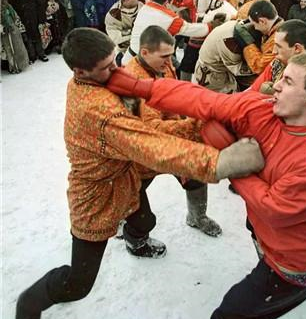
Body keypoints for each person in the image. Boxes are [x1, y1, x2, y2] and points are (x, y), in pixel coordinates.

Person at [16, 28, 263, 319]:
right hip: (95, 196)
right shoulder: (99, 111)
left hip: (124, 176)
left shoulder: (100, 81)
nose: (117, 70)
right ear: (81, 72)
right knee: (79, 284)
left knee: (145, 219)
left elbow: (147, 129)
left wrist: (196, 125)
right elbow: (150, 145)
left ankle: (136, 240)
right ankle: (28, 305)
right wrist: (220, 162)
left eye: (115, 61)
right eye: (107, 68)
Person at [108, 52, 306, 319]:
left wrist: (232, 160)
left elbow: (275, 210)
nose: (277, 85)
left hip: (293, 265)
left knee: (230, 313)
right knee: (256, 230)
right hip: (271, 234)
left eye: (288, 81)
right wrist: (142, 88)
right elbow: (204, 100)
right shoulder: (264, 108)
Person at [125, 25, 222, 237]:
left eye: (171, 55)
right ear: (144, 53)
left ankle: (197, 217)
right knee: (134, 198)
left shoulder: (161, 64)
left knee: (195, 173)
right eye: (165, 56)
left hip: (172, 133)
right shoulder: (136, 81)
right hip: (142, 150)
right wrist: (193, 127)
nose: (170, 62)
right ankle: (134, 238)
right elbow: (152, 128)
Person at [123, 0, 217, 64]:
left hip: (129, 58)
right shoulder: (168, 18)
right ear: (167, 3)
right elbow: (190, 29)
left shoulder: (145, 7)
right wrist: (211, 25)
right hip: (144, 64)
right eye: (172, 3)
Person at [234, 0, 284, 75]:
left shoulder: (277, 40)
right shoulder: (277, 29)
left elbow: (259, 68)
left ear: (262, 21)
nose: (255, 28)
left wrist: (248, 44)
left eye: (254, 25)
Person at [105, 0, 143, 65]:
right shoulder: (114, 14)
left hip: (144, 46)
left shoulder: (142, 4)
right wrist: (135, 32)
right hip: (126, 50)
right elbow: (116, 37)